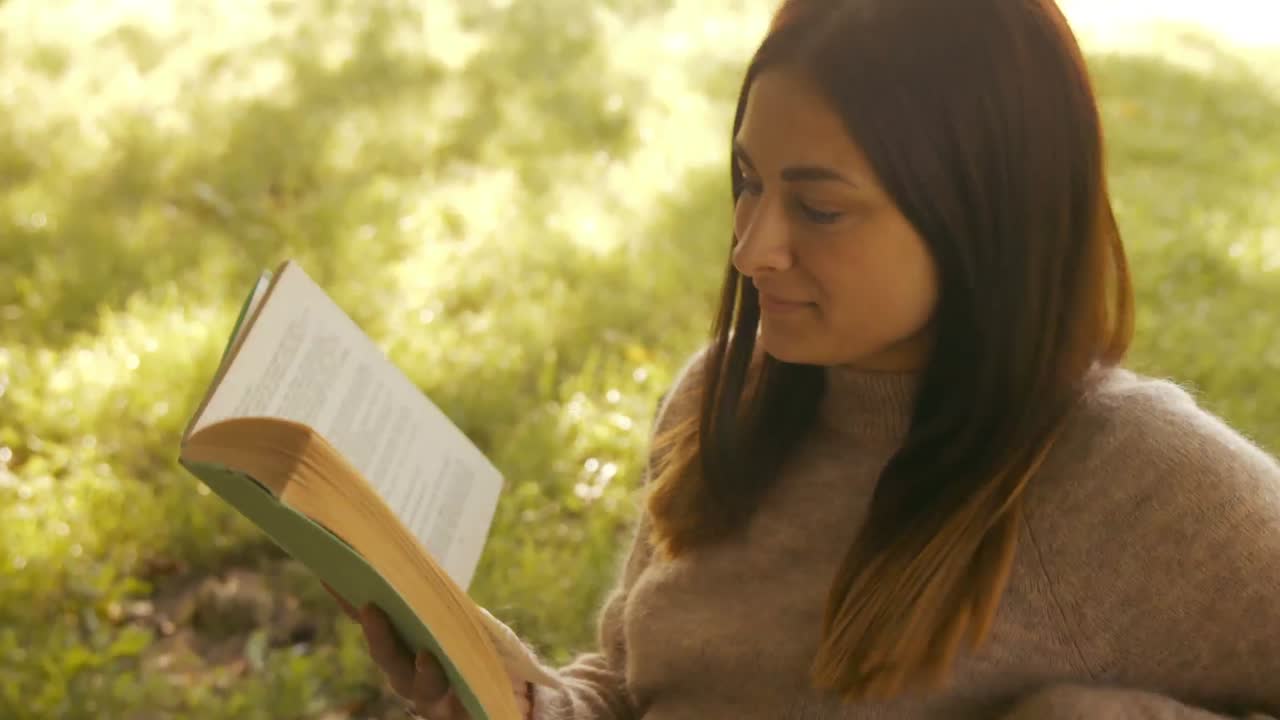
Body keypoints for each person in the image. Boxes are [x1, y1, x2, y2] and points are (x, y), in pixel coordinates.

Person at [334, 0, 1280, 717]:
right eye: (748, 181)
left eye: (820, 209)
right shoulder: (720, 396)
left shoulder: (1127, 477)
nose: (751, 250)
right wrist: (523, 699)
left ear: (980, 216)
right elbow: (630, 687)